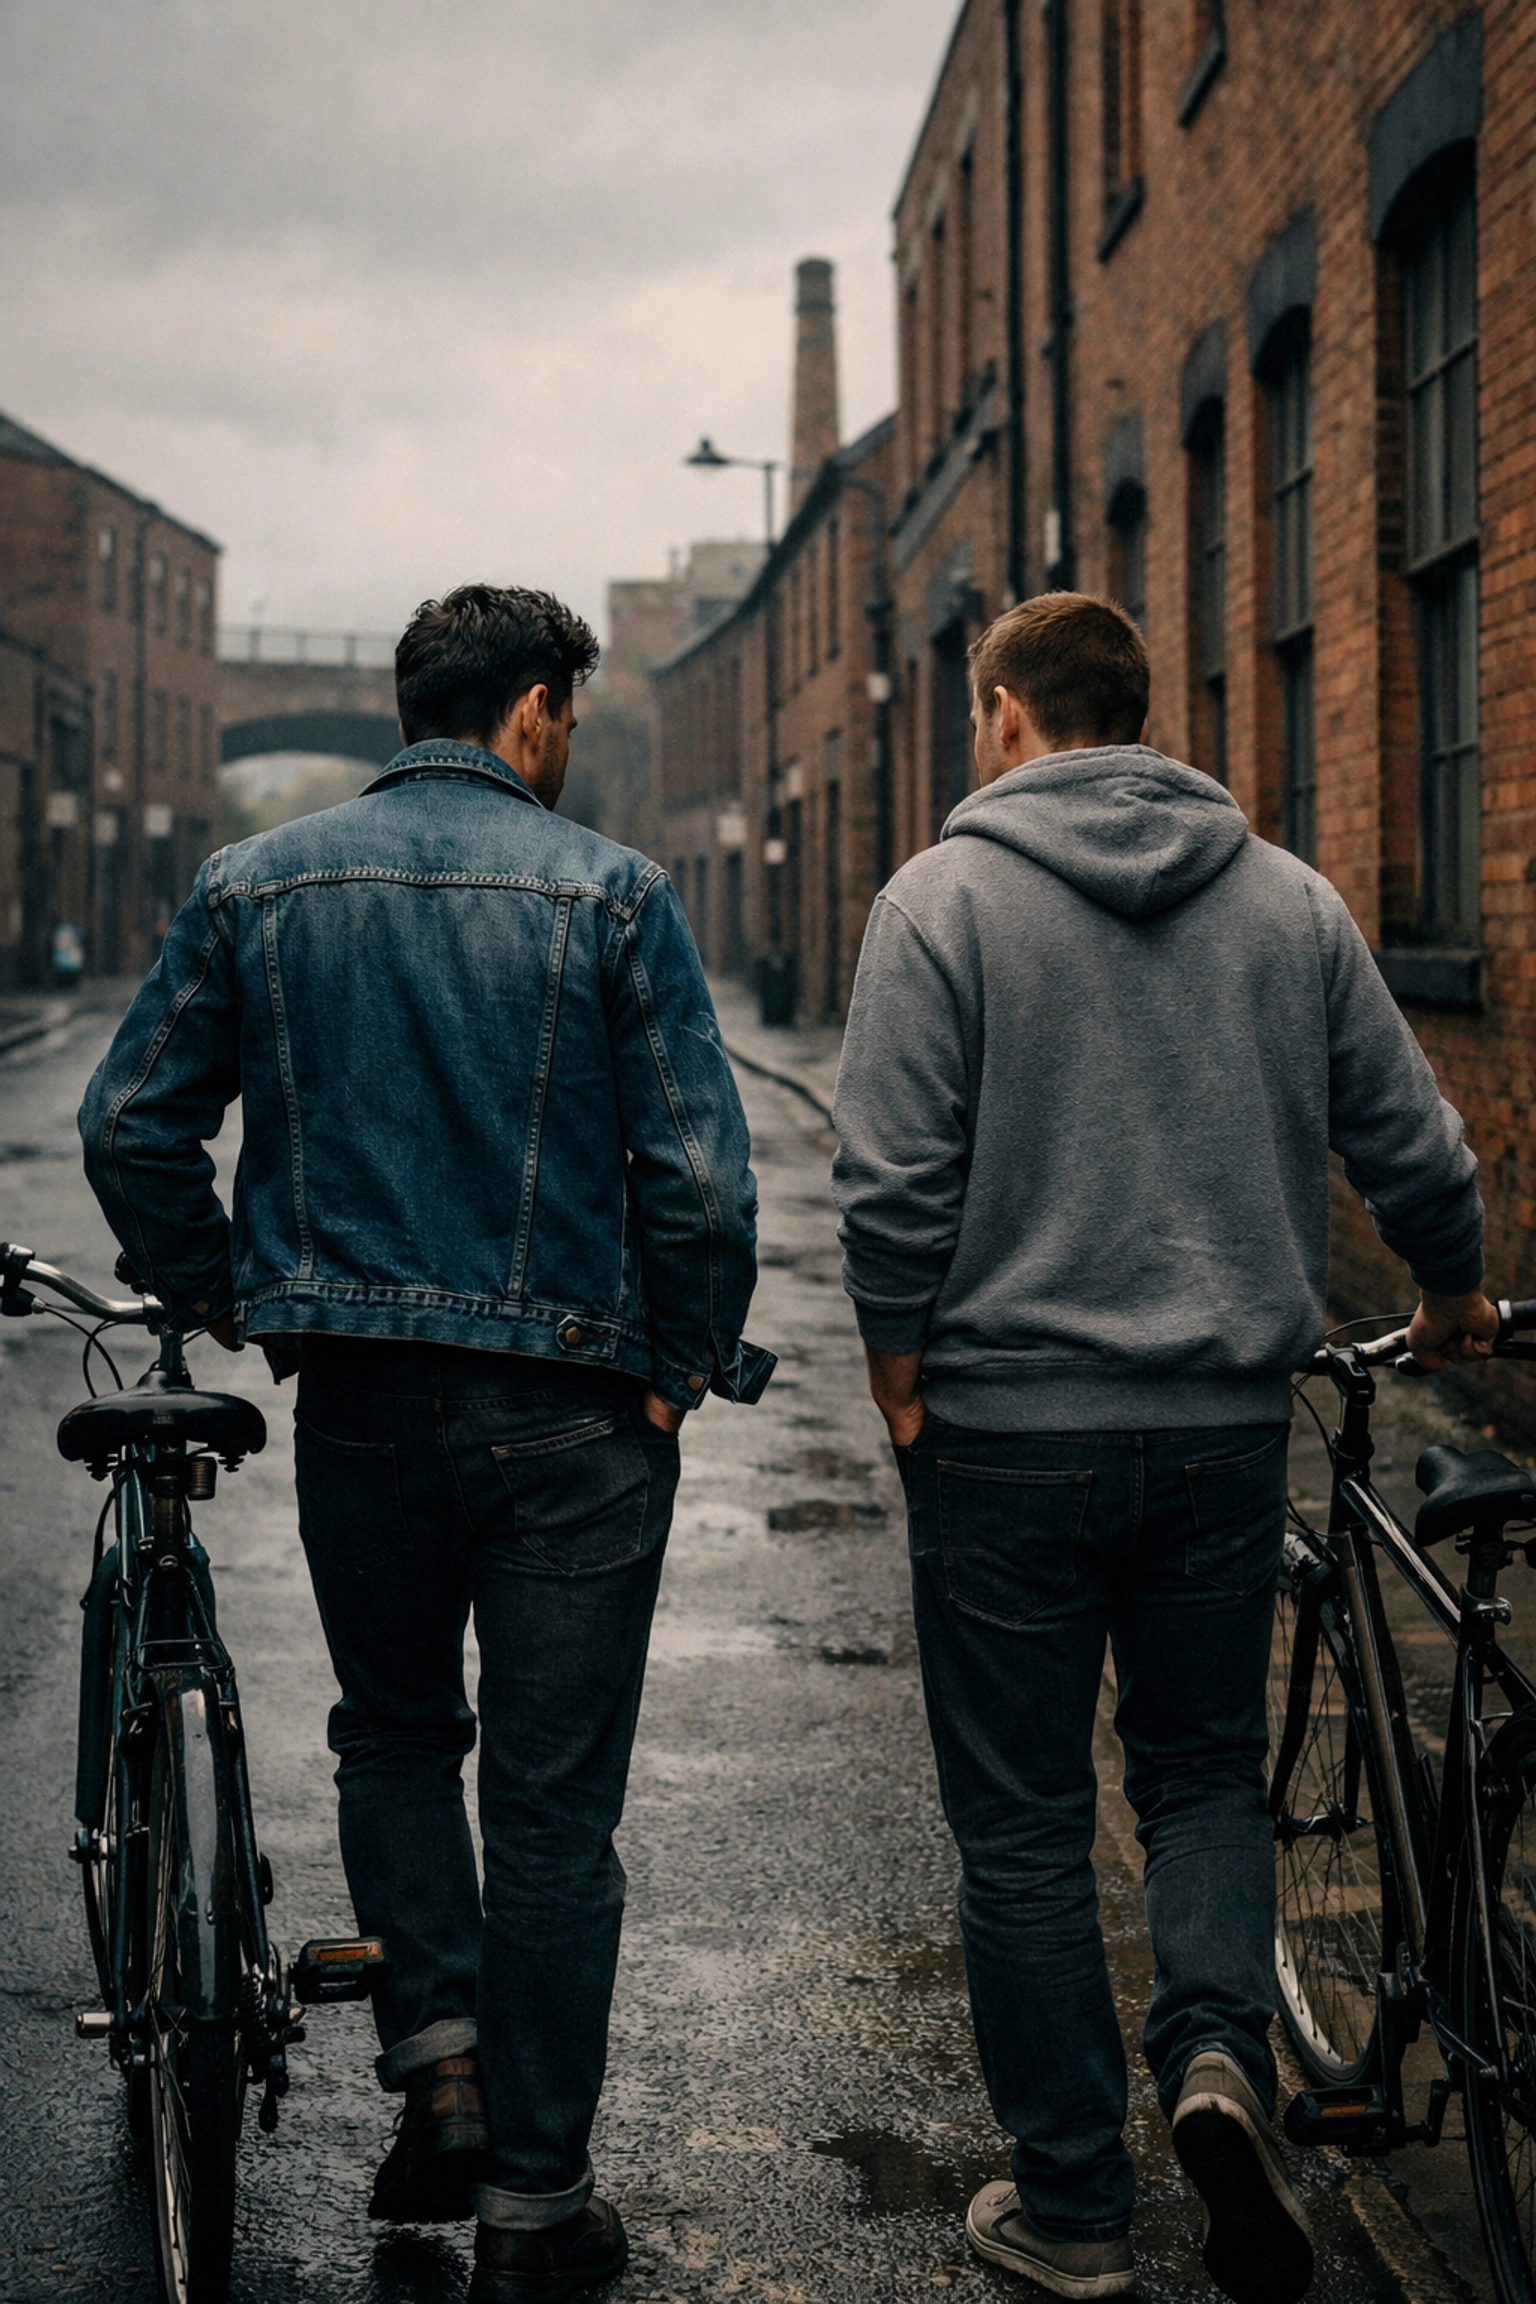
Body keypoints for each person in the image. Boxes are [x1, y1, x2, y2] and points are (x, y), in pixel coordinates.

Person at [80, 583, 772, 2304]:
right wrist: (680, 1366)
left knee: (395, 1735)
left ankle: (441, 2059)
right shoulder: (616, 894)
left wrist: (234, 1294)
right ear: (534, 710)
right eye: (567, 718)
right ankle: (536, 2204)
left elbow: (132, 1124)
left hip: (364, 1408)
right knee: (553, 1814)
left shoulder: (257, 883)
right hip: (576, 1417)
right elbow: (699, 1182)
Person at [830, 592, 1496, 2304]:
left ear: (1004, 714)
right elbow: (1410, 1141)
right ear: (1140, 711)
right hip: (1217, 1436)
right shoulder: (1289, 902)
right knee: (1201, 1774)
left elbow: (892, 1185)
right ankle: (1216, 2058)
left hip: (1000, 1437)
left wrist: (899, 1372)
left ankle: (1072, 2209)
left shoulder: (937, 904)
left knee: (1025, 1826)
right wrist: (1454, 1293)